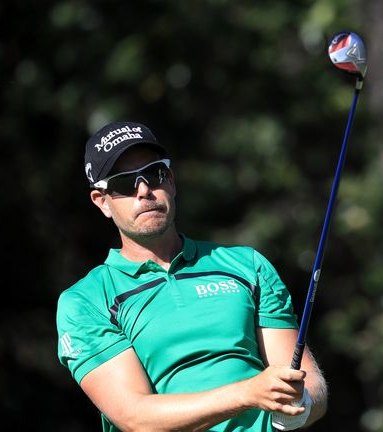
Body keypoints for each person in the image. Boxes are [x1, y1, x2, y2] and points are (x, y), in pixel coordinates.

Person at [57, 121, 328, 431]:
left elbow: (308, 383)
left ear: (170, 181)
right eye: (123, 184)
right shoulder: (86, 300)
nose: (144, 190)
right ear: (102, 201)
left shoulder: (247, 265)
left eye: (155, 174)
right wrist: (248, 394)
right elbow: (136, 418)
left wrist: (299, 407)